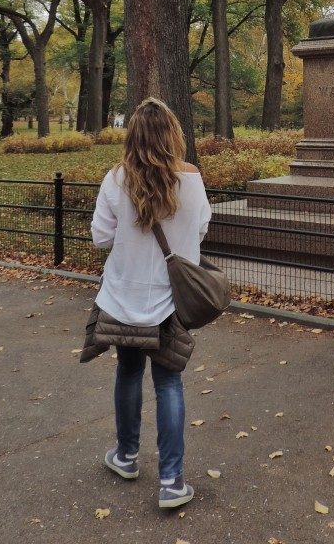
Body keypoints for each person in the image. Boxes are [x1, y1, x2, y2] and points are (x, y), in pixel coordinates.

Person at [90, 98, 211, 510]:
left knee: (127, 372)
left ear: (133, 136)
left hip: (124, 297)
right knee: (169, 382)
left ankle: (125, 456)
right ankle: (172, 481)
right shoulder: (191, 178)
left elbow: (100, 237)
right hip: (169, 302)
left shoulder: (116, 180)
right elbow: (201, 229)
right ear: (173, 135)